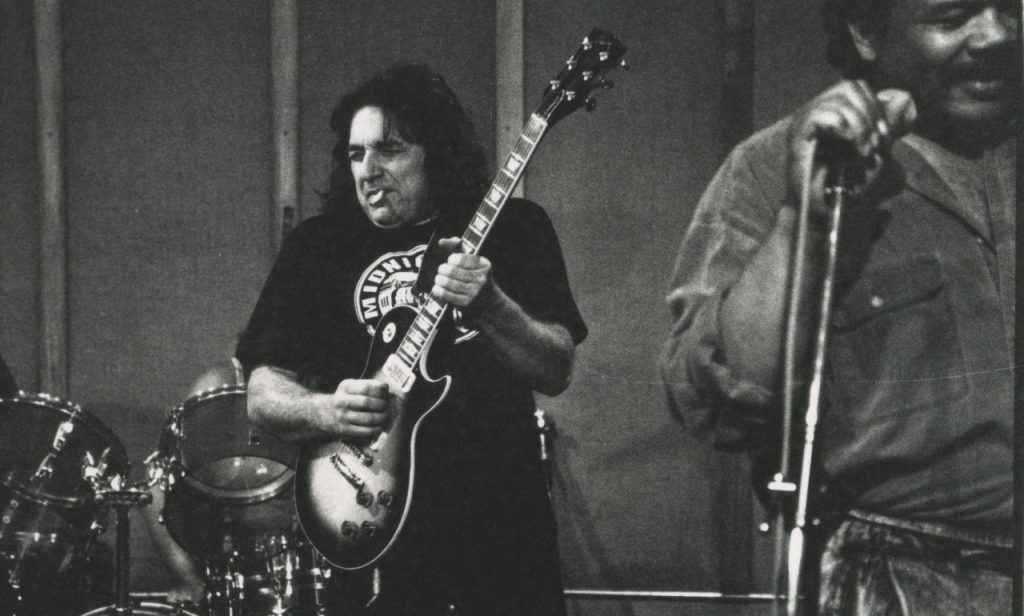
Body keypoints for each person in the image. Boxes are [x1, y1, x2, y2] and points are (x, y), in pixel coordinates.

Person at [660, 1, 1017, 614]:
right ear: (866, 32)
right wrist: (803, 219)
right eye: (953, 15)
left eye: (1010, 8)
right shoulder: (770, 166)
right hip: (892, 581)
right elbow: (717, 399)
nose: (996, 34)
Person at [235, 64, 587, 615]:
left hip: (502, 531)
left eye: (390, 150)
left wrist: (493, 306)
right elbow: (262, 395)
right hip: (371, 526)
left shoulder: (516, 227)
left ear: (437, 153)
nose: (368, 171)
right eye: (356, 154)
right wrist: (329, 411)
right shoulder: (317, 247)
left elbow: (556, 368)